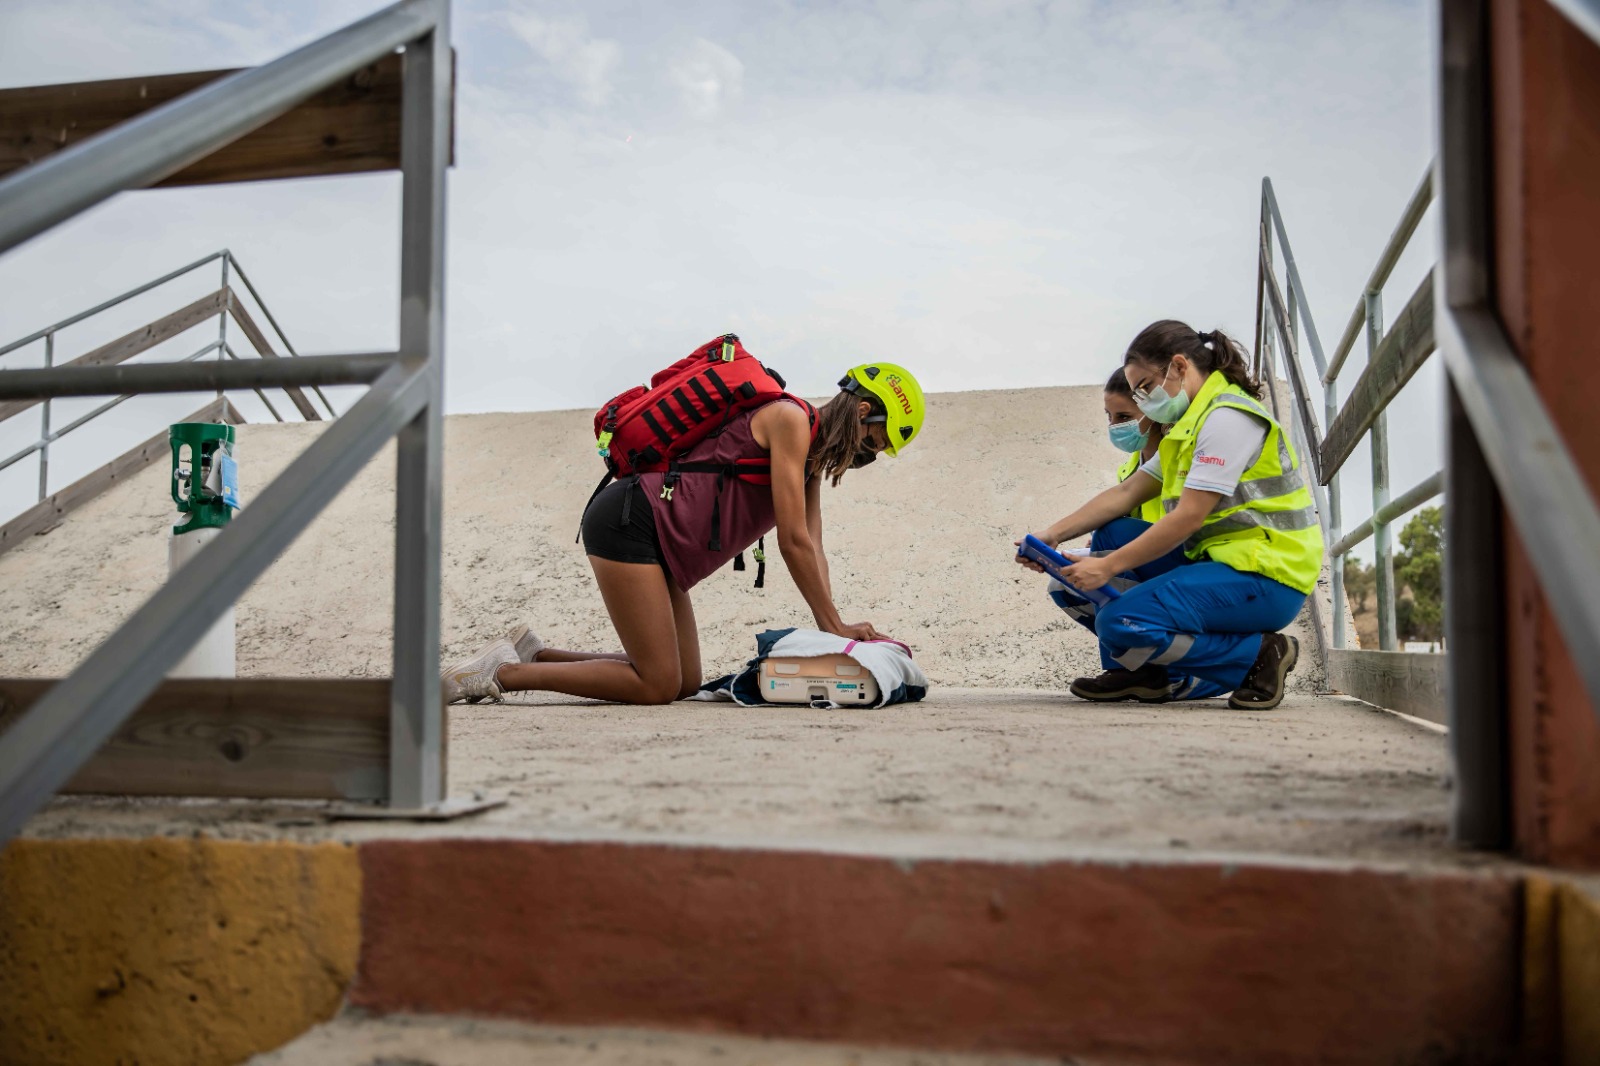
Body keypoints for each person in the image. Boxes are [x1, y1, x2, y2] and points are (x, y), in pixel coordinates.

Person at [442, 362, 926, 705]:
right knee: (655, 685)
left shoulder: (810, 463)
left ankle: (536, 653)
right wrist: (834, 628)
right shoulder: (790, 420)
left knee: (683, 680)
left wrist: (840, 627)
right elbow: (792, 542)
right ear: (863, 412)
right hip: (632, 521)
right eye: (876, 442)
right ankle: (500, 674)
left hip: (661, 543)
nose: (871, 455)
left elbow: (813, 545)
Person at [1020, 320, 1322, 710]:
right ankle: (1140, 673)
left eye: (1145, 387)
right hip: (1221, 563)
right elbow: (1127, 491)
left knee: (1118, 621)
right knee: (1110, 534)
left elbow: (1189, 517)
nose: (1144, 401)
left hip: (1267, 577)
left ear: (1179, 367)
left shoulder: (1227, 419)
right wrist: (1052, 535)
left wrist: (1108, 567)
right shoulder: (1190, 426)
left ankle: (1260, 652)